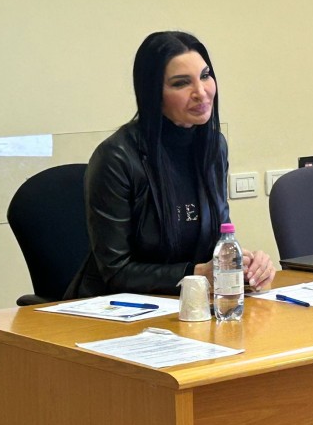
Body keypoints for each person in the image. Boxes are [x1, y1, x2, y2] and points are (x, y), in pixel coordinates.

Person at [66, 30, 275, 299]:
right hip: (116, 308)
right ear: (154, 93)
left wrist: (244, 265)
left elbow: (218, 238)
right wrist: (197, 273)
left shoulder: (213, 146)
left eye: (205, 76)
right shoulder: (116, 157)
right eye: (181, 83)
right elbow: (116, 272)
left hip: (190, 304)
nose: (201, 92)